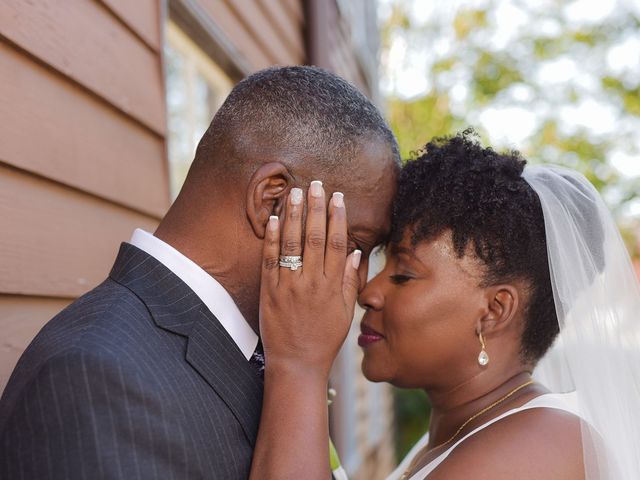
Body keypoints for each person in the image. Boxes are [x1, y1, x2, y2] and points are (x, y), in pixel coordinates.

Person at [0, 66, 400, 479]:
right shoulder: (96, 378)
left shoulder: (265, 357)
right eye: (353, 245)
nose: (361, 283)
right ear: (272, 200)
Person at [252, 131, 640, 479]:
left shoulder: (543, 446)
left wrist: (298, 364)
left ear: (494, 310)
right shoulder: (456, 435)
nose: (368, 292)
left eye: (403, 275)